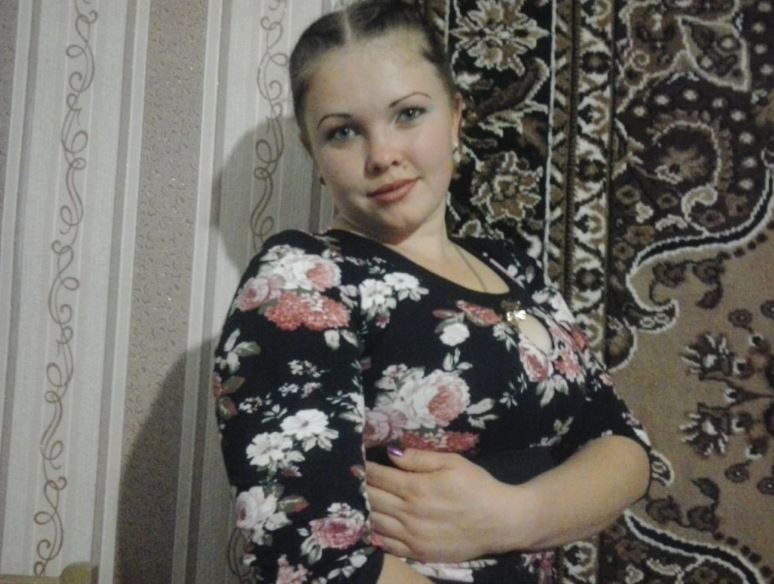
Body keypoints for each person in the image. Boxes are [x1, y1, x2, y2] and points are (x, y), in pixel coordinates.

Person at [212, 1, 652, 582]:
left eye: (409, 114)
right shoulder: (302, 279)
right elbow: (312, 559)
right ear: (313, 154)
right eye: (343, 132)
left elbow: (622, 446)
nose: (382, 155)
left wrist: (510, 516)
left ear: (456, 118)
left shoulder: (512, 267)